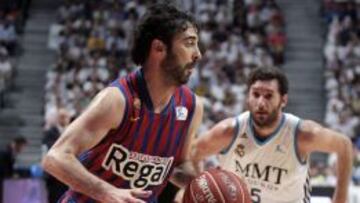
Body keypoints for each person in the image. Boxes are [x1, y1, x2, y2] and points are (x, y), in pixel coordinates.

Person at [42, 3, 203, 203]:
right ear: (159, 48)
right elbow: (56, 158)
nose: (198, 53)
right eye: (189, 43)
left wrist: (205, 186)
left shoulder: (191, 106)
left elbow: (178, 166)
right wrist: (107, 192)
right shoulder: (117, 100)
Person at [191, 67, 352, 203]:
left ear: (283, 100)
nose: (261, 102)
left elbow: (344, 145)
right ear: (248, 97)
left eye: (268, 96)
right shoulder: (229, 131)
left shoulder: (302, 134)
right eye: (255, 94)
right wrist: (202, 190)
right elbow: (193, 154)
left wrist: (340, 198)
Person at [42, 108, 71, 203]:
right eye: (61, 117)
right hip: (54, 176)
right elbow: (52, 150)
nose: (63, 119)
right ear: (57, 118)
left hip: (69, 175)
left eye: (65, 117)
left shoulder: (73, 132)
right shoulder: (50, 132)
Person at [0, 136, 27, 203]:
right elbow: (3, 168)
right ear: (18, 144)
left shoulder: (11, 152)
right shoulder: (6, 152)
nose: (22, 149)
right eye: (22, 146)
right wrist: (11, 176)